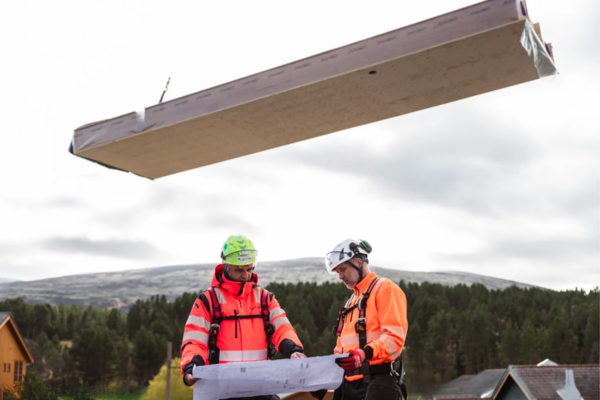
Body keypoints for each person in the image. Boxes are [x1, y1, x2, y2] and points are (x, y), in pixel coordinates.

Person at [180, 234, 306, 400]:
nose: (246, 275)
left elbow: (283, 328)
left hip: (260, 389)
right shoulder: (208, 301)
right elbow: (194, 340)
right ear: (225, 266)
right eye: (239, 270)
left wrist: (293, 350)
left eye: (250, 269)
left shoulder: (265, 298)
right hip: (221, 391)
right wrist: (191, 367)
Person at [323, 239, 408, 400]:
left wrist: (363, 354)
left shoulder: (385, 288)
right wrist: (326, 382)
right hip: (349, 387)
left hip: (379, 384)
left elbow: (394, 338)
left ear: (358, 261)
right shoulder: (351, 302)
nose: (340, 276)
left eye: (343, 269)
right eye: (337, 272)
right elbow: (340, 351)